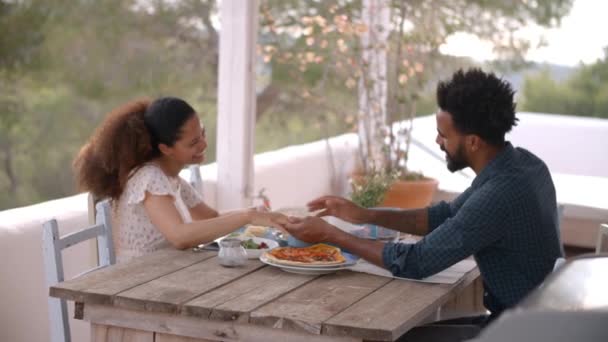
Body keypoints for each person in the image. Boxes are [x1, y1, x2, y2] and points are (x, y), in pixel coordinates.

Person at [281, 69, 562, 336]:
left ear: (474, 142)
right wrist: (364, 214)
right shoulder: (523, 165)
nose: (438, 141)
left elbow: (417, 262)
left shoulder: (498, 195)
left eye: (444, 135)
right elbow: (444, 215)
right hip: (531, 320)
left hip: (520, 332)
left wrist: (330, 234)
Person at [74, 97, 286, 262]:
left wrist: (256, 215)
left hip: (168, 272)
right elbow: (180, 236)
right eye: (193, 142)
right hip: (138, 283)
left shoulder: (171, 178)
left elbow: (209, 217)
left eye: (202, 133)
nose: (203, 144)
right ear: (166, 149)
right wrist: (246, 216)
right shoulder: (148, 177)